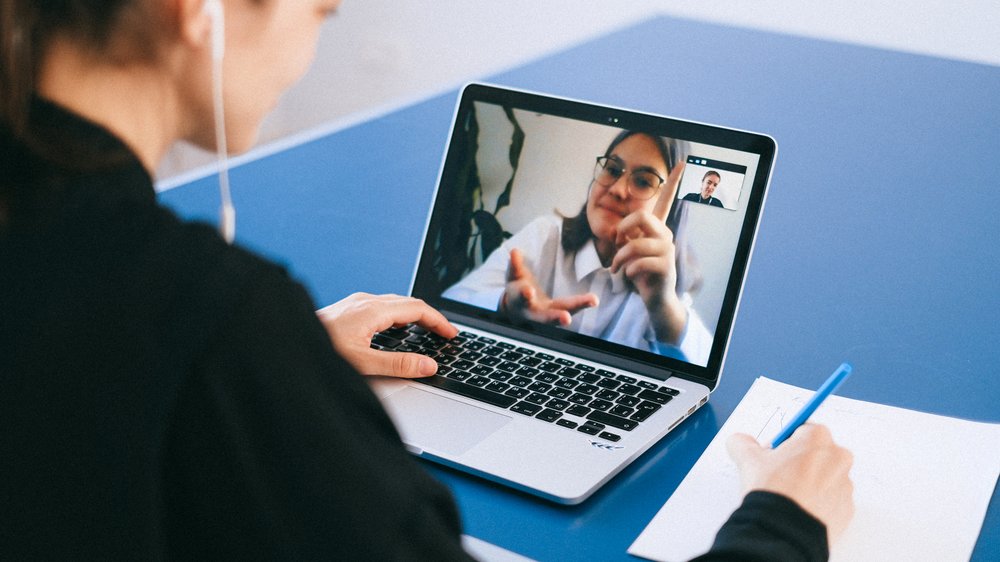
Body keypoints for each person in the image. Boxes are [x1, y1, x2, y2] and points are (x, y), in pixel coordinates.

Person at [0, 1, 854, 560]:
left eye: (644, 181)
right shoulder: (220, 323)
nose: (308, 48)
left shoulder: (674, 277)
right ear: (197, 12)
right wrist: (781, 523)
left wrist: (290, 355)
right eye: (320, 11)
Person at [444, 131, 714, 364]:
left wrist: (663, 305)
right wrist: (505, 305)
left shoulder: (663, 287)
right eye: (612, 169)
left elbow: (702, 372)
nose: (618, 189)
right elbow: (453, 301)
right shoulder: (545, 235)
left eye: (643, 181)